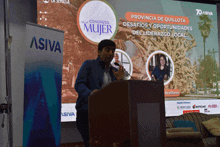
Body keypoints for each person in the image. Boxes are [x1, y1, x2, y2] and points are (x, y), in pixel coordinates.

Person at [74, 39, 125, 147]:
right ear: (99, 52)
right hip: (87, 114)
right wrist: (91, 94)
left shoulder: (113, 71)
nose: (110, 53)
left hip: (106, 116)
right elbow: (79, 84)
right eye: (107, 50)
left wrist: (119, 80)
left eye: (113, 50)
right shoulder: (89, 65)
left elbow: (113, 93)